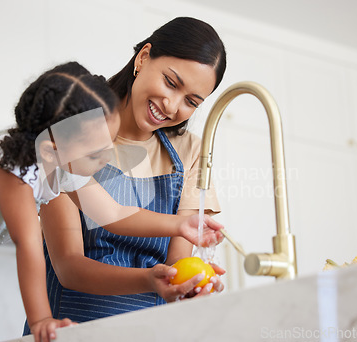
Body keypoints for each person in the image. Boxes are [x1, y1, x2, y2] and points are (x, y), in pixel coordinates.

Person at [0, 61, 223, 342]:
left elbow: (113, 213)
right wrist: (40, 320)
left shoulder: (62, 166)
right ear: (53, 150)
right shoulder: (15, 167)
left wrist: (181, 224)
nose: (107, 157)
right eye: (96, 153)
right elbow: (28, 246)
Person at [26, 16, 228, 329]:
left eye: (190, 101)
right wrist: (150, 279)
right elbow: (69, 267)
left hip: (151, 331)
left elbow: (172, 259)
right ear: (144, 57)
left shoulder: (189, 151)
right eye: (171, 83)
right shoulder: (73, 126)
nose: (172, 106)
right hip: (70, 328)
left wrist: (190, 285)